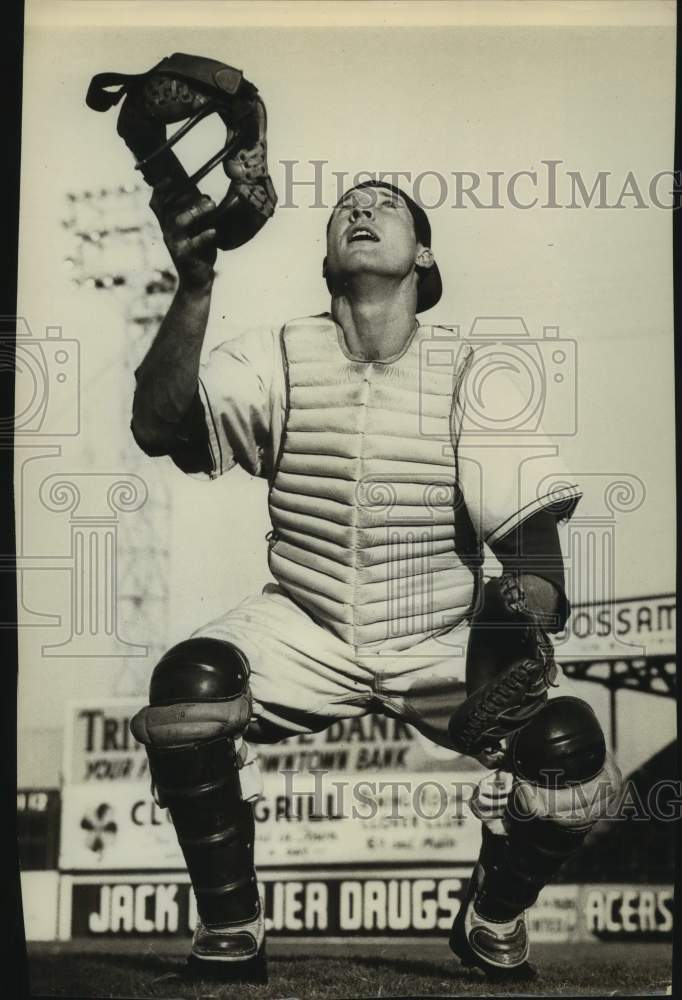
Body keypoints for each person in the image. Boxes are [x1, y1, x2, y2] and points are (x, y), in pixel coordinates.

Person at [129, 178, 621, 981]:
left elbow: (536, 562)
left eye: (384, 204)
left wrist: (521, 616)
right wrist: (194, 287)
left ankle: (492, 915)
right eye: (345, 206)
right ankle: (232, 925)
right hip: (306, 618)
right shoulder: (278, 351)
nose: (360, 210)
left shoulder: (470, 368)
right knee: (189, 688)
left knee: (569, 751)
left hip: (432, 633)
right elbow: (160, 426)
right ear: (326, 256)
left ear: (423, 255)